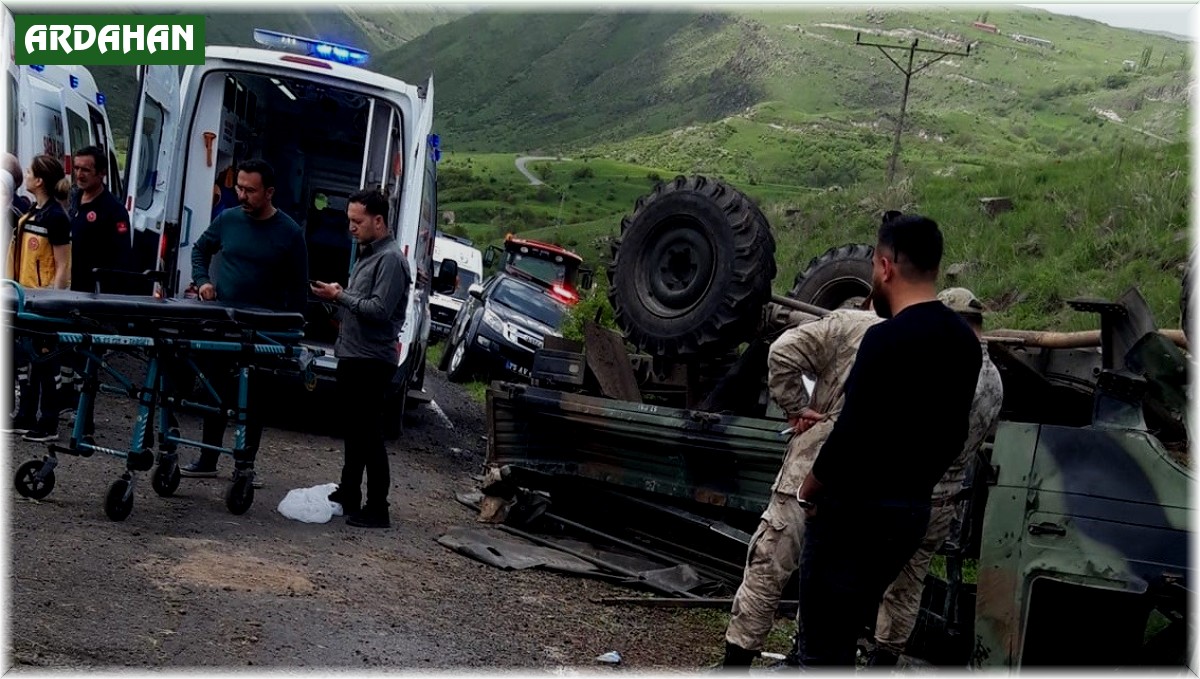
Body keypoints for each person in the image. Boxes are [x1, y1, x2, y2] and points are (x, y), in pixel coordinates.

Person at [793, 214, 982, 667]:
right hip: (911, 513)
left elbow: (852, 434)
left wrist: (810, 487)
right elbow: (955, 436)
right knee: (851, 624)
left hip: (854, 515)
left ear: (885, 266)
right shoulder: (965, 343)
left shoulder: (884, 340)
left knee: (822, 645)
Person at [721, 306, 883, 667]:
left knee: (770, 560)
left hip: (813, 461)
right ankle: (802, 658)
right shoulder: (917, 338)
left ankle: (737, 660)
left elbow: (783, 350)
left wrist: (795, 408)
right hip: (867, 478)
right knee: (828, 574)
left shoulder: (849, 325)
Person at [868, 287, 1004, 667]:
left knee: (858, 575)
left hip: (905, 494)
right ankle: (882, 662)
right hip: (944, 502)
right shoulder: (995, 379)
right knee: (909, 585)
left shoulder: (949, 368)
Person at [178, 159, 308, 481]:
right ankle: (207, 459)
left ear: (269, 192)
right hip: (225, 322)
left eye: (250, 190)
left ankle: (244, 465)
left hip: (264, 331)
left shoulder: (290, 234)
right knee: (214, 391)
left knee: (254, 399)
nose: (242, 195)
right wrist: (202, 280)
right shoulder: (228, 220)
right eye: (239, 188)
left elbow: (298, 289)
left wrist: (291, 333)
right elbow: (199, 250)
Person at [312, 188, 410, 529]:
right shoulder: (368, 255)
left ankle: (377, 507)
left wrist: (342, 296)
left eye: (357, 221)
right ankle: (349, 491)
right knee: (354, 429)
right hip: (353, 354)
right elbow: (361, 302)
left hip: (372, 360)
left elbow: (380, 310)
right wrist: (337, 298)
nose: (351, 227)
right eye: (349, 220)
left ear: (378, 221)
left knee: (369, 433)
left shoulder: (391, 260)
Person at [6, 156, 72, 442]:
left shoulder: (56, 217)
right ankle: (26, 414)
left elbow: (63, 264)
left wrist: (54, 300)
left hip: (41, 300)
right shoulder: (34, 211)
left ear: (40, 181)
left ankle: (48, 421)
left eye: (30, 172)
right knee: (24, 360)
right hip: (22, 295)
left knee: (45, 363)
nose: (27, 177)